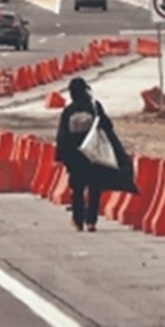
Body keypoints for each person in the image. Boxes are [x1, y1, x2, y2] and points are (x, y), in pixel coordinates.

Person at [55, 77, 114, 232]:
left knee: (77, 189)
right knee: (94, 188)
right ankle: (91, 221)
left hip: (75, 156)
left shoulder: (69, 111)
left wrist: (61, 157)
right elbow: (108, 126)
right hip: (93, 154)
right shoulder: (94, 107)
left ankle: (78, 220)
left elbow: (62, 135)